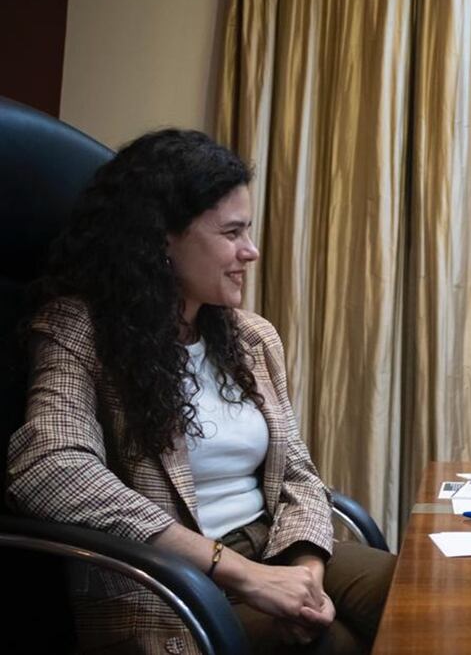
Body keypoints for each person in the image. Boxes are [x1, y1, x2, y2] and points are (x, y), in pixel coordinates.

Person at [5, 130, 395, 654]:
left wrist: (305, 572)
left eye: (247, 230)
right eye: (232, 232)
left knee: (427, 595)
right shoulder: (81, 331)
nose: (251, 251)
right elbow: (50, 467)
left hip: (273, 545)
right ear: (161, 239)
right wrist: (241, 574)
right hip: (167, 581)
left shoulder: (251, 338)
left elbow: (297, 474)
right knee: (334, 643)